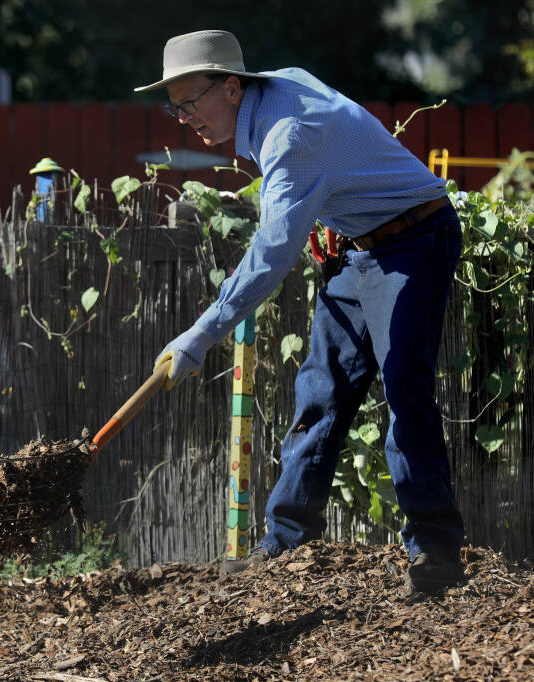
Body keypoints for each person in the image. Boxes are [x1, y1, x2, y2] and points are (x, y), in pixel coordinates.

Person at [137, 30, 466, 593]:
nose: (184, 119)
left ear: (233, 88)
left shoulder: (289, 133)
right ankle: (286, 544)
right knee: (320, 392)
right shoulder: (278, 92)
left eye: (191, 103)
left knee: (404, 390)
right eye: (175, 108)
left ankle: (436, 555)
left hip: (414, 240)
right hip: (359, 246)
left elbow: (273, 252)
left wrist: (200, 334)